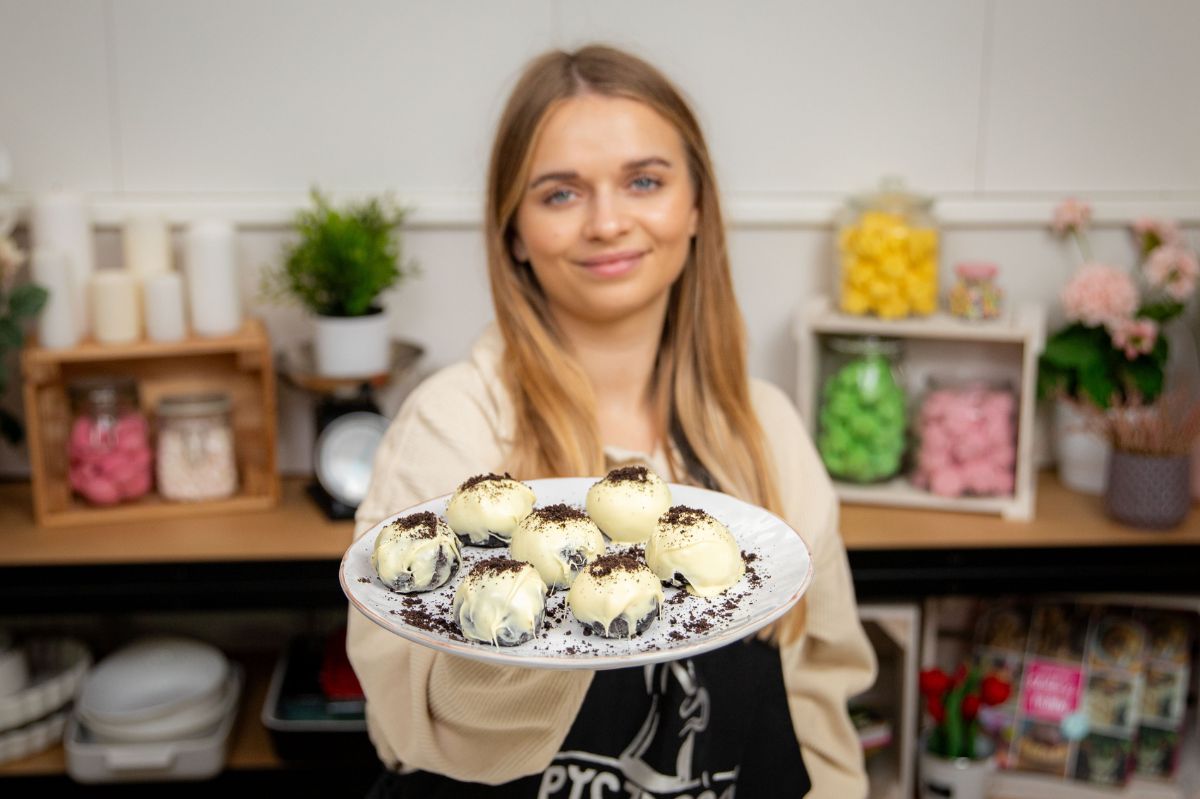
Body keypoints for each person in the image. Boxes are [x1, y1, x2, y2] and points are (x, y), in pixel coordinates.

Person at [346, 44, 876, 798]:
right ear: (515, 234)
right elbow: (412, 726)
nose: (607, 221)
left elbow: (819, 705)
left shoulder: (768, 433)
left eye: (644, 181)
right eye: (560, 194)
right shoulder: (454, 425)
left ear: (696, 207)